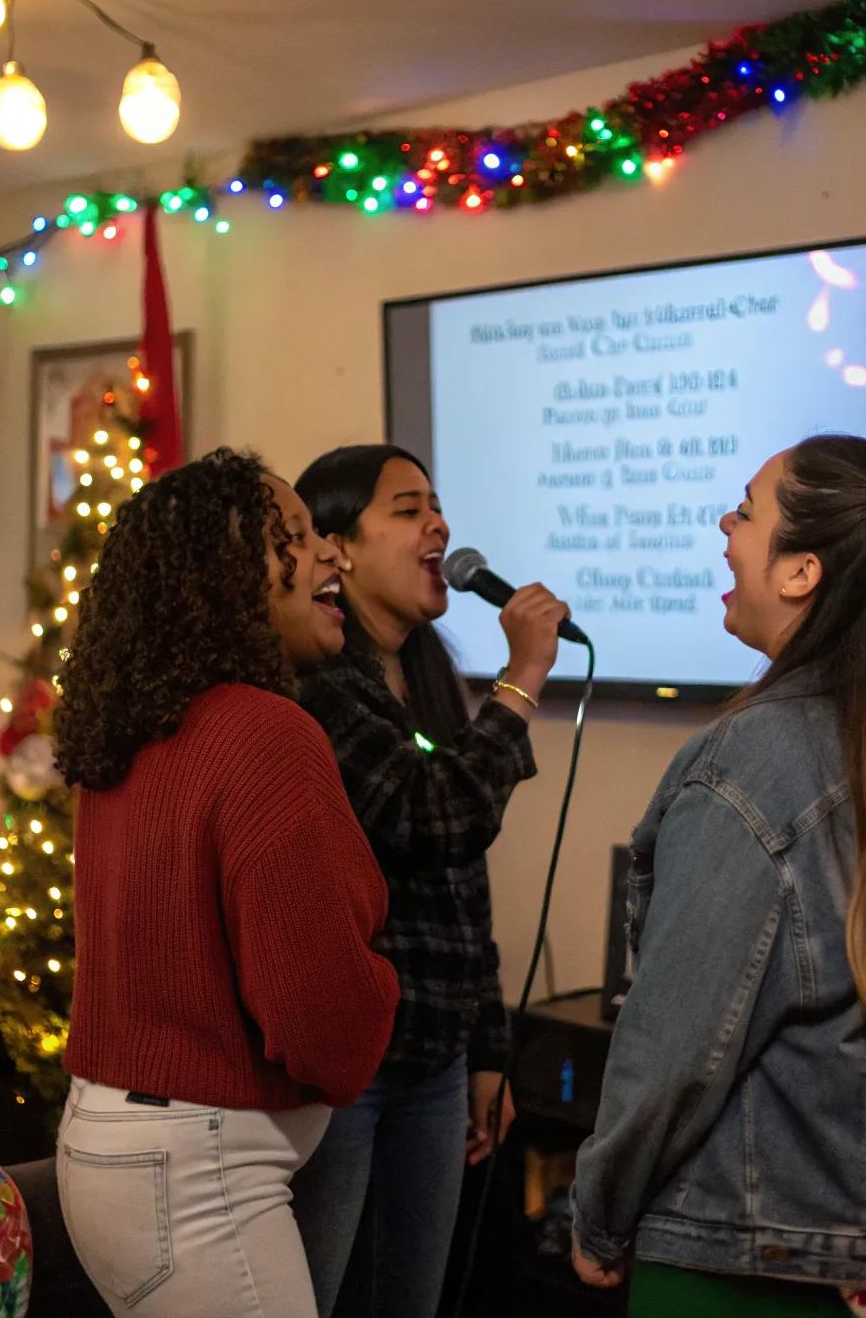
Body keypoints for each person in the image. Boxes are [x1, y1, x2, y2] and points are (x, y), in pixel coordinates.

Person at [573, 434, 866, 1317]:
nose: (724, 526)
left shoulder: (747, 767)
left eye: (745, 509)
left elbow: (675, 1053)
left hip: (757, 1270)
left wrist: (597, 1216)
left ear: (802, 572)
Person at [54, 448, 400, 1318]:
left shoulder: (133, 724)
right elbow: (323, 1019)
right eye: (298, 537)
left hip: (109, 1148)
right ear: (224, 576)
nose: (334, 556)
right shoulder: (266, 733)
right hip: (196, 1179)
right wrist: (383, 984)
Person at [290, 443, 569, 1318]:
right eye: (408, 510)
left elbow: (462, 874)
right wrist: (523, 679)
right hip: (354, 1069)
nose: (438, 525)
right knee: (327, 1298)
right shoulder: (319, 686)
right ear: (336, 547)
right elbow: (431, 815)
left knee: (410, 1301)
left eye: (437, 507)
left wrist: (487, 1046)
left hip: (438, 1063)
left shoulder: (427, 674)